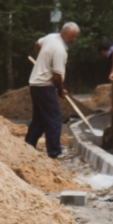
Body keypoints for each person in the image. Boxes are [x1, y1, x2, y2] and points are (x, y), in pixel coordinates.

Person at [26, 21, 79, 157]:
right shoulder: (59, 50)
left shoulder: (51, 37)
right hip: (44, 86)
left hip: (35, 85)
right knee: (54, 119)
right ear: (66, 34)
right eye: (73, 36)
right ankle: (54, 152)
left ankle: (27, 146)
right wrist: (60, 90)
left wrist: (41, 61)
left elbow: (37, 44)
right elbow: (56, 76)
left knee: (39, 119)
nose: (74, 40)